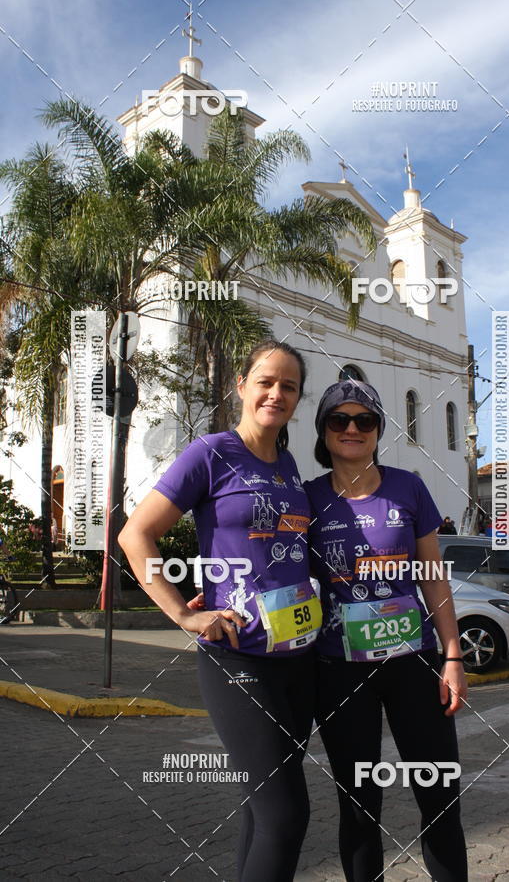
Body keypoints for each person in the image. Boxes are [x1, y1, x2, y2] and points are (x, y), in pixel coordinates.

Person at [119, 340, 321, 882]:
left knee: (262, 811)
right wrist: (183, 614)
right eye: (266, 382)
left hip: (298, 660)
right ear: (242, 386)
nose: (276, 394)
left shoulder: (289, 465)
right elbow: (136, 535)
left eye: (289, 386)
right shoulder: (211, 453)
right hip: (238, 656)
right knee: (286, 814)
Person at [304, 380, 468, 882]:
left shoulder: (408, 487)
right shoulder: (308, 498)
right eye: (340, 419)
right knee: (358, 806)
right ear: (324, 430)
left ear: (378, 430)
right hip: (339, 671)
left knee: (439, 796)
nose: (352, 429)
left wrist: (453, 655)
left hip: (413, 664)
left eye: (365, 420)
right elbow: (278, 567)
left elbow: (432, 575)